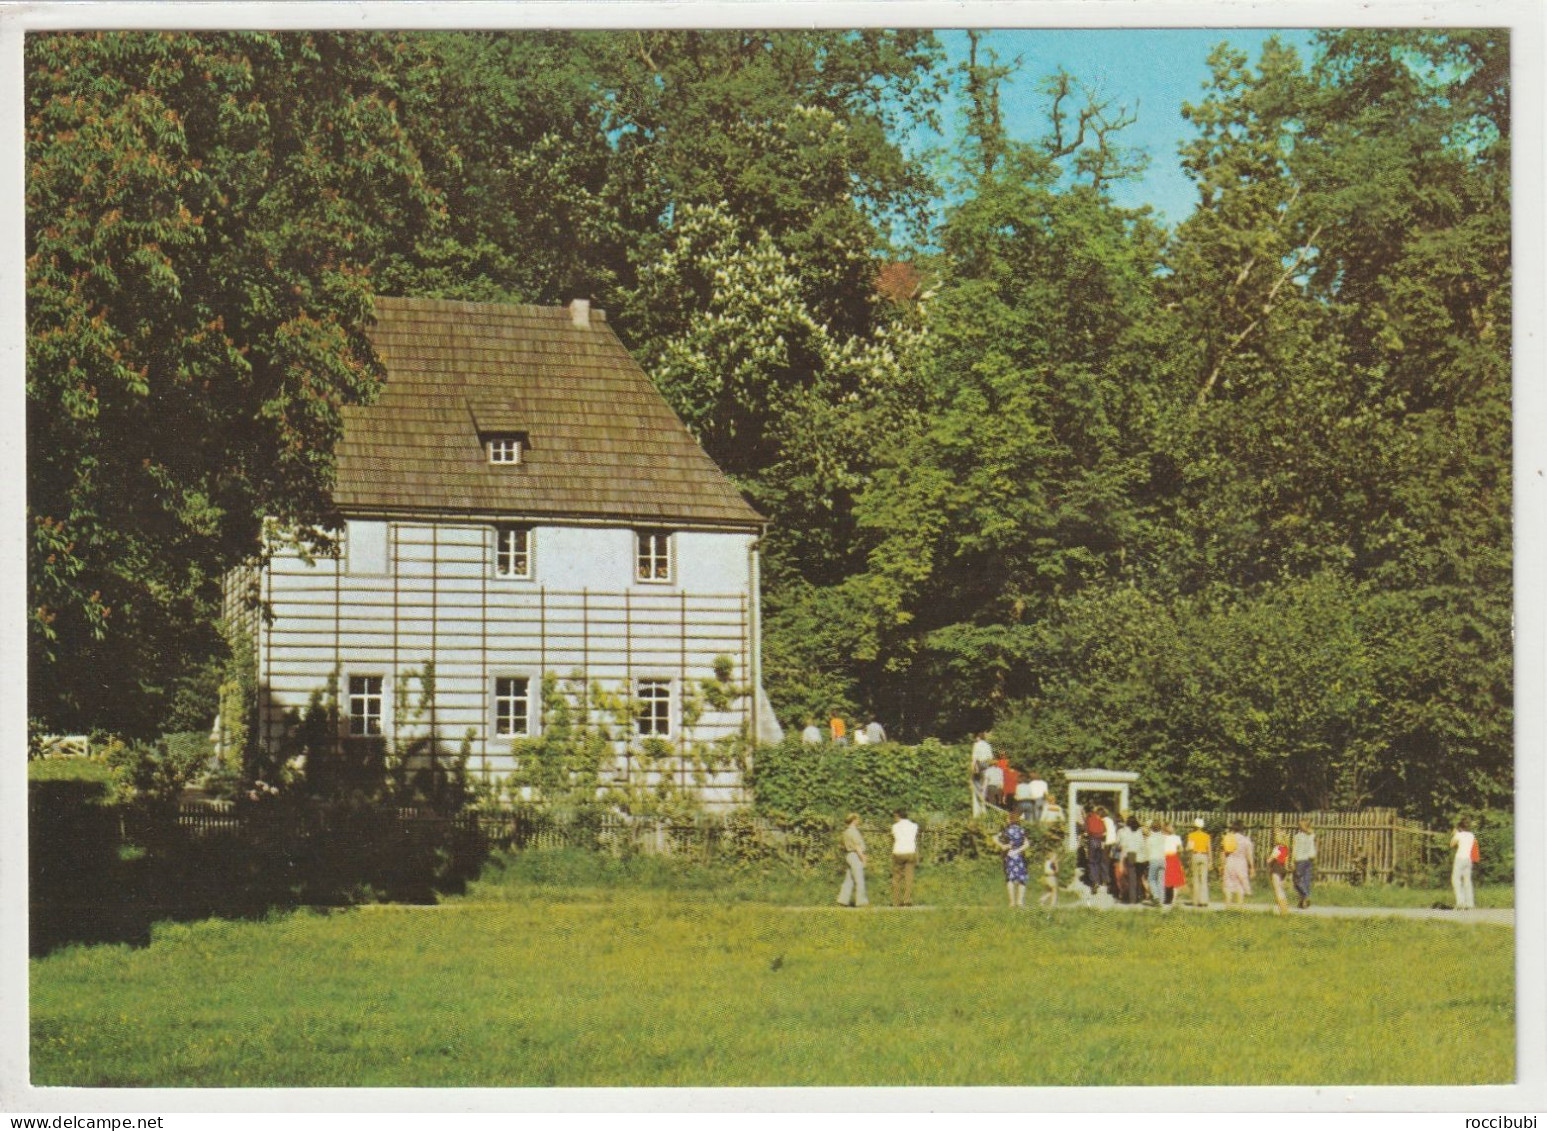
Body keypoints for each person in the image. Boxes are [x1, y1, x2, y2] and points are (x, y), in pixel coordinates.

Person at [995, 810, 1029, 908]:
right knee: (1022, 878)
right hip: (1019, 857)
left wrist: (1002, 846)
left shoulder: (1006, 830)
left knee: (1010, 878)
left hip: (1009, 856)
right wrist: (1018, 850)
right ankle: (1020, 902)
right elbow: (1027, 844)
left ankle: (1012, 902)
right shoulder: (1022, 830)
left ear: (1010, 820)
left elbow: (994, 838)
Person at [836, 813, 868, 907]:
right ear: (854, 820)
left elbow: (841, 846)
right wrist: (863, 857)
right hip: (855, 855)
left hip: (849, 855)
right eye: (858, 819)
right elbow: (857, 846)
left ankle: (842, 900)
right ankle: (861, 901)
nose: (859, 821)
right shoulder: (854, 832)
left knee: (849, 879)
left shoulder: (846, 832)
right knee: (859, 879)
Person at [890, 809, 919, 907]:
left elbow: (894, 837)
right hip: (910, 851)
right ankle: (907, 899)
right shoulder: (914, 826)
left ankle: (896, 900)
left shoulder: (895, 827)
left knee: (897, 877)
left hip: (898, 851)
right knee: (909, 877)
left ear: (898, 816)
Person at [1221, 821, 1254, 907]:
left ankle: (1228, 907)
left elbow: (1224, 853)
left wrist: (1221, 865)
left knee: (1228, 885)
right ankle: (1239, 907)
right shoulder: (1246, 840)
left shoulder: (1228, 838)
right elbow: (1249, 855)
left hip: (1230, 862)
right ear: (1242, 829)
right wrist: (1252, 867)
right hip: (1241, 863)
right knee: (1240, 885)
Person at [1450, 818, 1477, 910]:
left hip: (1460, 858)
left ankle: (1460, 902)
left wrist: (1454, 835)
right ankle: (1470, 904)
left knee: (1456, 879)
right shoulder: (1471, 835)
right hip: (1468, 860)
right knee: (1467, 881)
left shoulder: (1458, 835)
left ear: (1460, 828)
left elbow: (1452, 845)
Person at [1185, 818, 1212, 907]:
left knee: (1195, 878)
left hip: (1195, 855)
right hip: (1204, 856)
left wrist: (1188, 856)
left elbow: (1189, 848)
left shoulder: (1191, 835)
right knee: (1204, 879)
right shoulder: (1206, 836)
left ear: (1195, 826)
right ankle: (1204, 900)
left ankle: (1196, 900)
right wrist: (1210, 860)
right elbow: (1209, 849)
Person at [1291, 820, 1317, 909]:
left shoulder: (1297, 837)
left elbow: (1294, 849)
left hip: (1299, 860)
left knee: (1296, 881)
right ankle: (1303, 901)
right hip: (1309, 860)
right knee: (1306, 880)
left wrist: (1292, 861)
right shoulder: (1312, 835)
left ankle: (1304, 895)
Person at [1118, 814, 1144, 904]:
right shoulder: (1140, 831)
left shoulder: (1124, 831)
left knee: (1132, 877)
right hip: (1141, 854)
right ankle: (1140, 895)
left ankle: (1132, 899)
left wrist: (1121, 860)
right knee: (1139, 877)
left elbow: (1122, 846)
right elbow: (1142, 843)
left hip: (1131, 854)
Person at [1145, 821, 1168, 907]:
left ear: (1151, 828)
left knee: (1151, 879)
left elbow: (1147, 850)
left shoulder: (1149, 839)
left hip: (1153, 859)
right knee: (1161, 880)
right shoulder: (1164, 837)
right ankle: (1161, 900)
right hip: (1162, 859)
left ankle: (1156, 896)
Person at [1085, 806, 1109, 891]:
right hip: (1099, 841)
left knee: (1092, 861)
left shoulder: (1089, 818)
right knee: (1098, 861)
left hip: (1092, 840)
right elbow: (1105, 831)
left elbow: (1087, 830)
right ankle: (1097, 880)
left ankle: (1094, 881)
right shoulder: (1100, 820)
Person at [970, 733, 994, 816]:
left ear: (978, 737)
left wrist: (971, 770)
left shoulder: (976, 745)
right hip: (986, 766)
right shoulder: (988, 745)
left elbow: (974, 758)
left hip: (979, 766)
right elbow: (990, 758)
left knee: (976, 788)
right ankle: (983, 810)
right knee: (984, 789)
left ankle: (977, 812)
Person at [1163, 822, 1185, 908]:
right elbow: (1180, 849)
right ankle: (1173, 899)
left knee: (1166, 878)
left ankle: (1166, 898)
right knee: (1175, 879)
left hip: (1165, 858)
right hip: (1174, 857)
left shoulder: (1163, 837)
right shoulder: (1177, 838)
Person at [1268, 841, 1291, 914]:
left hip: (1276, 868)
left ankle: (1283, 911)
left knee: (1277, 890)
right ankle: (1284, 909)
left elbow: (1270, 859)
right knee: (1281, 890)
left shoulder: (1277, 848)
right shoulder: (1285, 848)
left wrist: (1268, 860)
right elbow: (1286, 860)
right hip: (1282, 868)